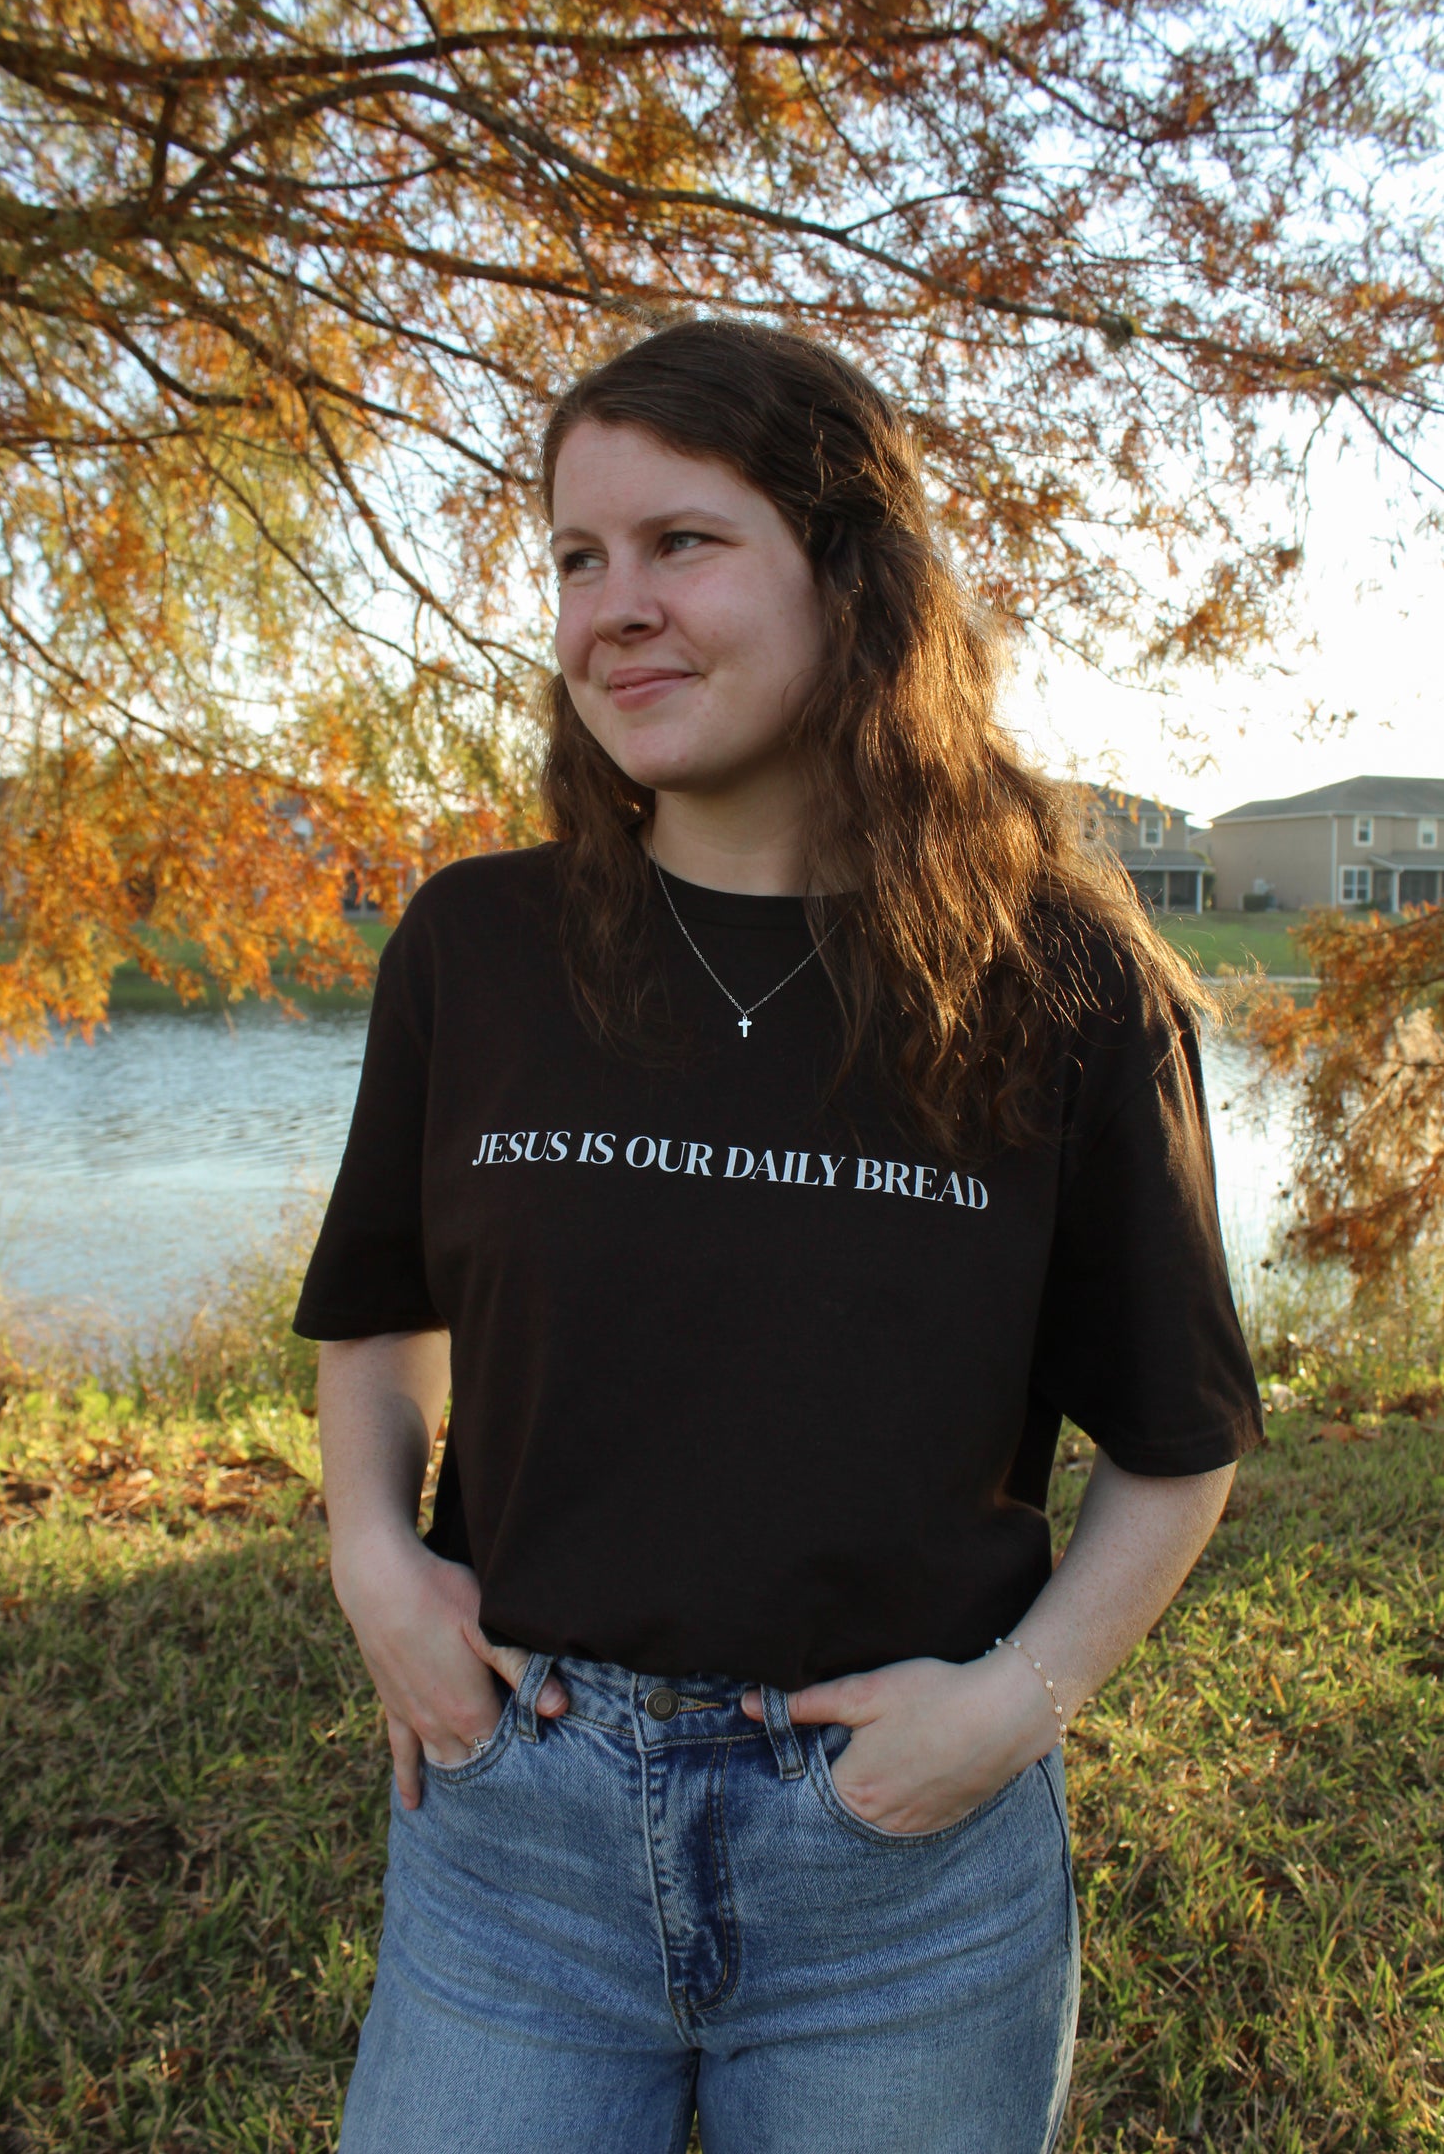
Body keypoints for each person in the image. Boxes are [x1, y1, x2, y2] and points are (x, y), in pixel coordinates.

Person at [293, 319, 1263, 2154]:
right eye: (577, 559)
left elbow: (1177, 1446)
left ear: (851, 576)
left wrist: (1013, 1713)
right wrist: (371, 1558)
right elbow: (376, 1310)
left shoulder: (1055, 980)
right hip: (517, 1839)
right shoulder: (474, 948)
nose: (611, 607)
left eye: (681, 543)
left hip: (897, 1877)